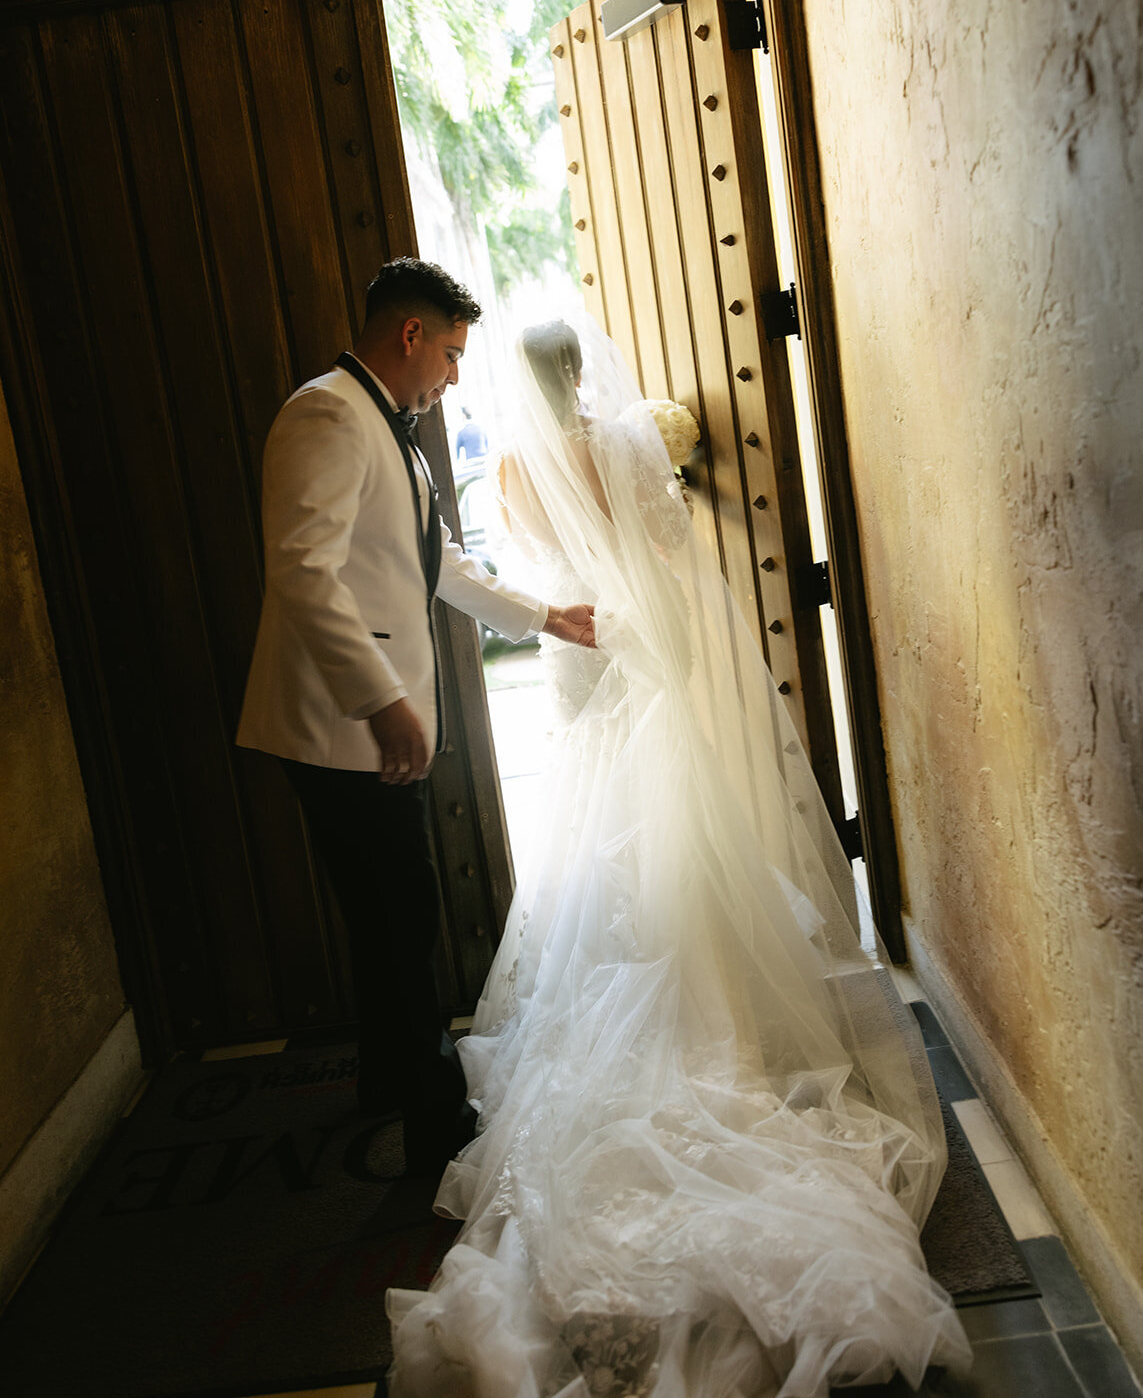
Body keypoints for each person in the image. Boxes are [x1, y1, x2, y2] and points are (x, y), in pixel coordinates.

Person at [386, 314, 972, 1394]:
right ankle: (709, 995)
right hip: (639, 642)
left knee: (592, 825)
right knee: (667, 820)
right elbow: (665, 549)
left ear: (520, 384)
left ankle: (626, 972)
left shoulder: (513, 465)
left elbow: (529, 565)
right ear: (582, 373)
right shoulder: (624, 442)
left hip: (578, 653)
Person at [236, 260, 594, 1178]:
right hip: (334, 722)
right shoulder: (324, 414)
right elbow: (302, 573)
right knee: (401, 915)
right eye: (449, 350)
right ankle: (437, 1124)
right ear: (409, 336)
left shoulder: (392, 426)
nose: (452, 373)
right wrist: (383, 702)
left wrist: (544, 615)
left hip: (361, 717)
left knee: (387, 910)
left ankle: (387, 1084)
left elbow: (436, 559)